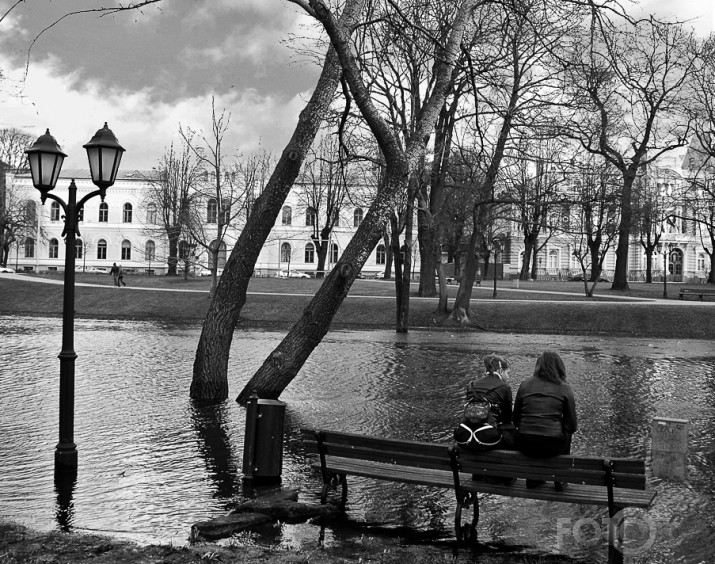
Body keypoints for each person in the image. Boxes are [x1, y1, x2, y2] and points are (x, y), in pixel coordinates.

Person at [513, 350, 577, 490]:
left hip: (525, 445)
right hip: (552, 446)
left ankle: (533, 478)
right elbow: (572, 426)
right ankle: (560, 479)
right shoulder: (564, 388)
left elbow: (515, 419)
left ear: (538, 366)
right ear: (560, 367)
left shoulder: (525, 385)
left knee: (532, 433)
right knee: (565, 435)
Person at [455, 353, 515, 484]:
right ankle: (504, 476)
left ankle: (478, 473)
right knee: (510, 433)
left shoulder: (471, 385)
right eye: (507, 372)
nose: (508, 376)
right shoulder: (504, 388)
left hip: (466, 438)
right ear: (500, 370)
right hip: (486, 439)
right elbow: (507, 419)